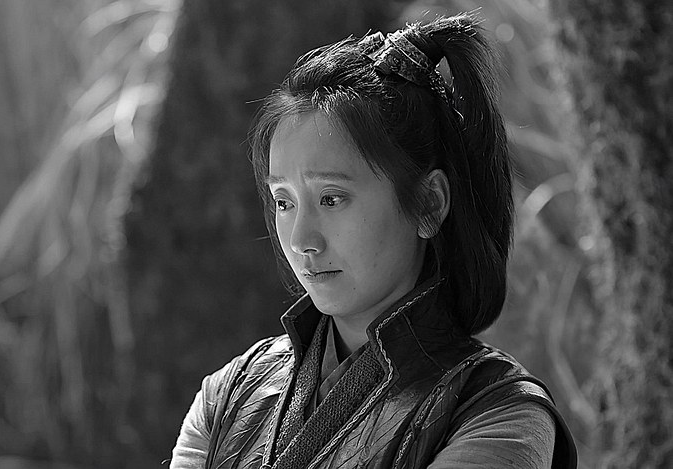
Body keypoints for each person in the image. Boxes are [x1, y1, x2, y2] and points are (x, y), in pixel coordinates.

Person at [169, 13, 577, 469]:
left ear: (429, 203)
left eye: (331, 198)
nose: (301, 240)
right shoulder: (229, 393)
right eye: (284, 202)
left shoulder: (498, 415)